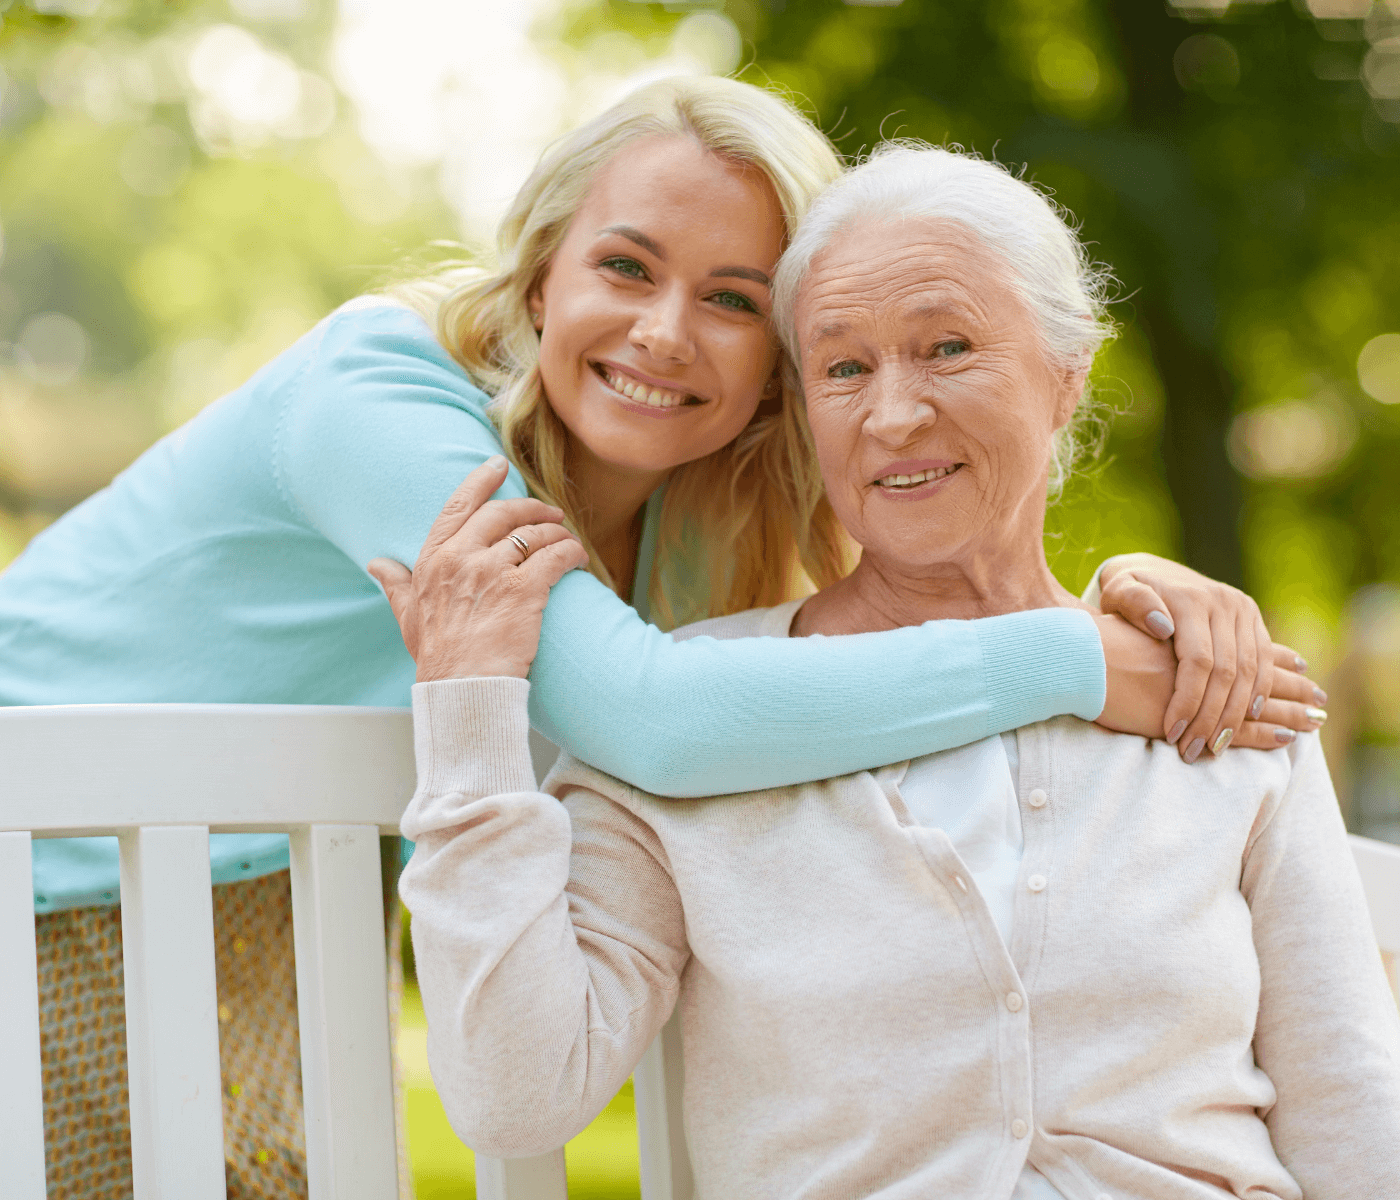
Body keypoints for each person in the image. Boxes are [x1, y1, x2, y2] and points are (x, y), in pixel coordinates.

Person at [2, 77, 1314, 1196]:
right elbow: (663, 722)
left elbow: (841, 658)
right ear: (538, 270)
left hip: (261, 908)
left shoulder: (693, 529)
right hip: (49, 866)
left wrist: (1121, 591)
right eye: (625, 267)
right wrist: (1080, 662)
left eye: (735, 301)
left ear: (778, 366)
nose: (663, 334)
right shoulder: (378, 391)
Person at [391, 143, 1398, 1199]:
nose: (892, 414)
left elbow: (1347, 1105)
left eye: (946, 347)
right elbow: (514, 1094)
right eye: (842, 367)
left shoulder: (1209, 690)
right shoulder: (700, 722)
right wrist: (467, 721)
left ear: (1067, 378)